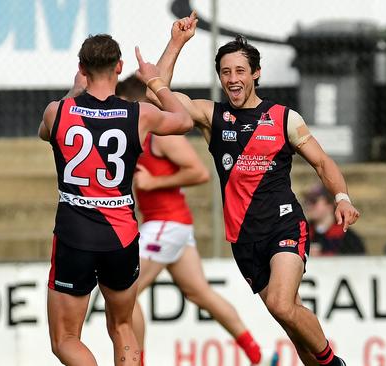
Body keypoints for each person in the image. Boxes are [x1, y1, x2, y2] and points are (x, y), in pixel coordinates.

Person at [147, 13, 360, 366]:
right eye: (226, 72)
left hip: (284, 225)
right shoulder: (210, 116)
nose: (233, 79)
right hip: (244, 238)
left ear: (255, 74)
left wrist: (342, 197)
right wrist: (176, 43)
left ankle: (334, 363)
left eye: (240, 71)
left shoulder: (282, 118)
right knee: (290, 321)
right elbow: (159, 97)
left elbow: (322, 162)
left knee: (280, 303)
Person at [38, 34, 192, 366]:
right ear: (119, 67)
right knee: (122, 326)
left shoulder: (57, 112)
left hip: (74, 235)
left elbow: (44, 132)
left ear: (81, 68)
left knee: (65, 339)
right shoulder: (139, 114)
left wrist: (73, 91)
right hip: (120, 235)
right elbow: (184, 120)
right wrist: (155, 81)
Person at [116, 74, 262, 364]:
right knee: (199, 293)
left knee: (124, 293)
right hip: (170, 227)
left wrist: (153, 183)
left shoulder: (159, 136)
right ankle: (257, 354)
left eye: (121, 106)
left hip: (166, 225)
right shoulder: (136, 135)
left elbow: (200, 172)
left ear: (136, 104)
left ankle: (137, 362)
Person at [303, 184, 365, 256]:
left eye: (313, 201)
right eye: (306, 201)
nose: (308, 205)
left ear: (330, 204)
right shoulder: (302, 233)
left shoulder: (347, 238)